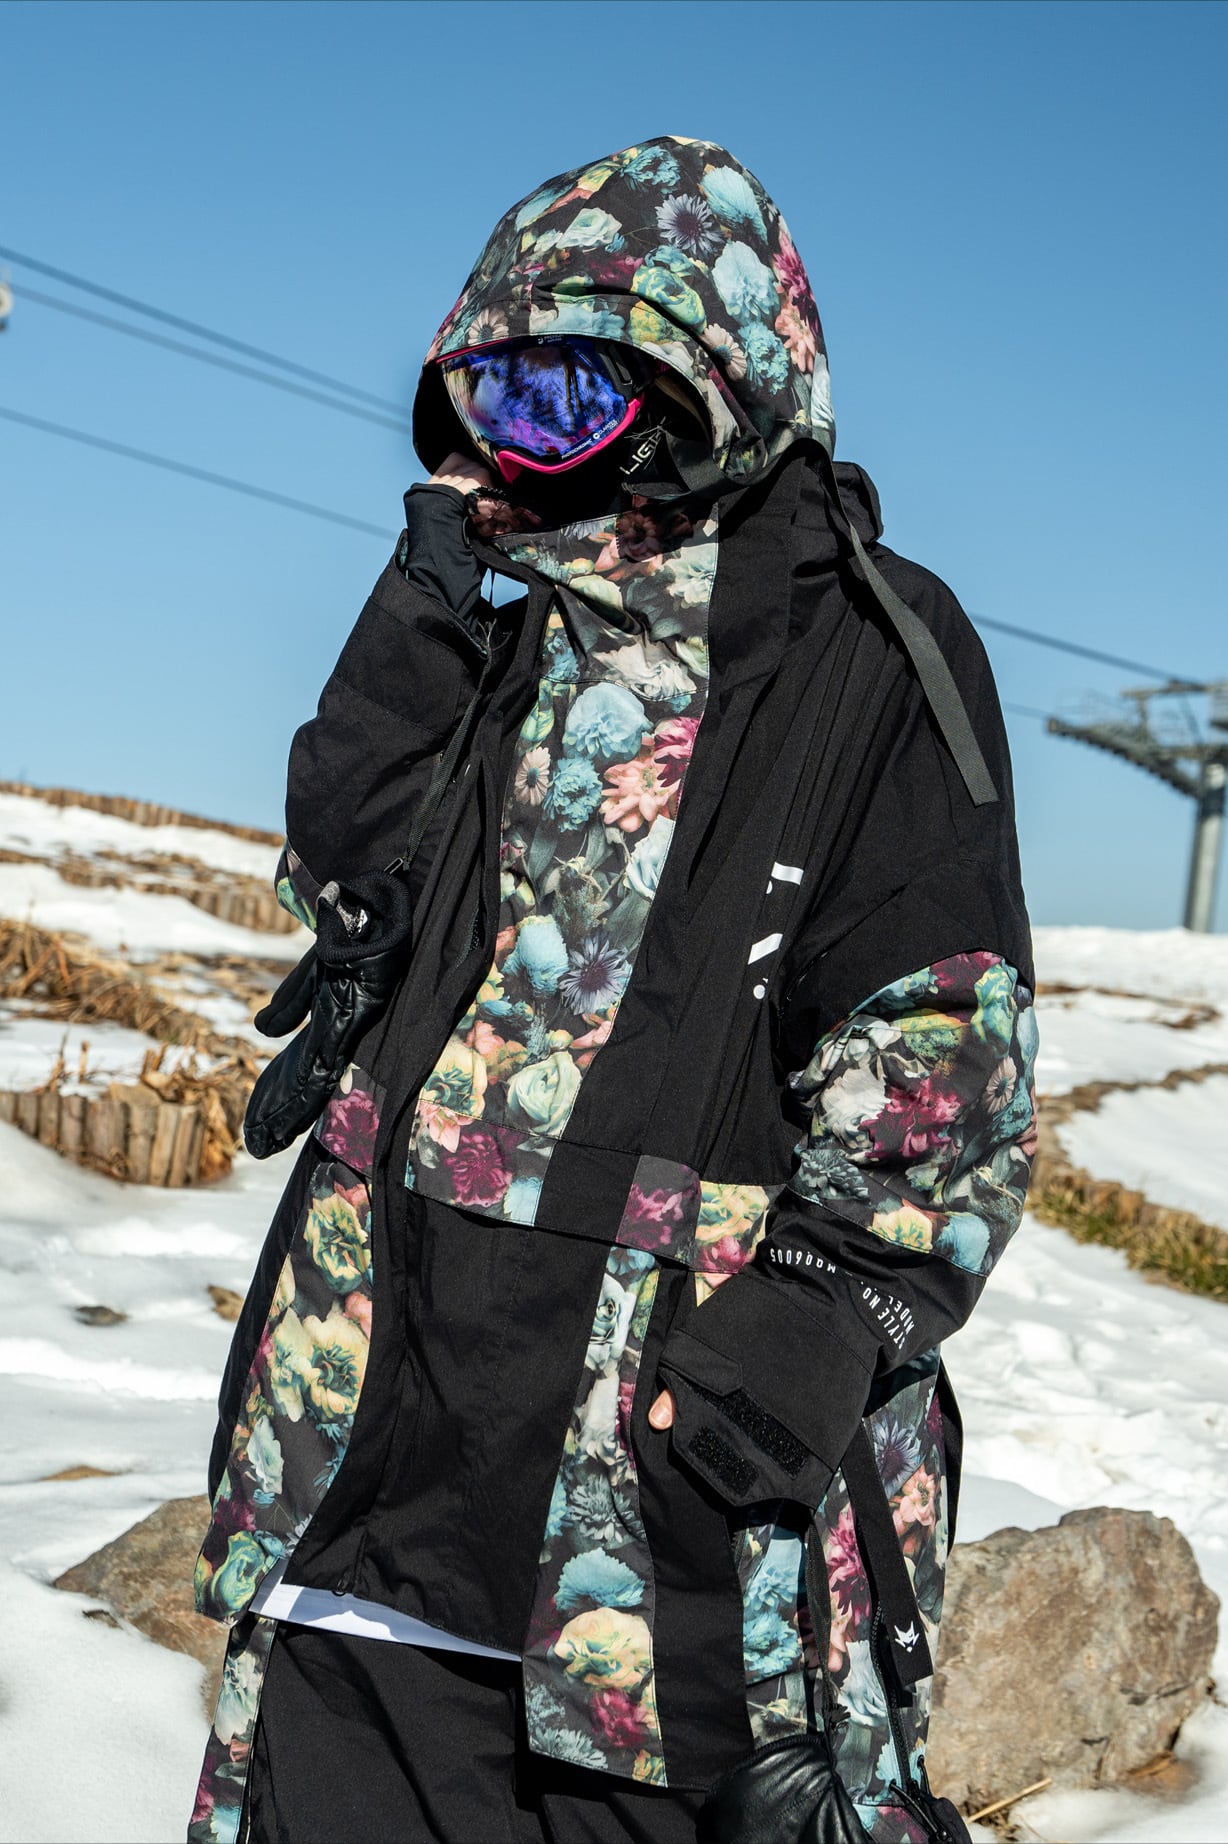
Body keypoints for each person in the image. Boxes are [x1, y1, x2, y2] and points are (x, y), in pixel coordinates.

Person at [189, 136, 1036, 1844]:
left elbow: (944, 1069)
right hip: (374, 1476)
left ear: (709, 389)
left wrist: (801, 1339)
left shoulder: (869, 659)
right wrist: (423, 609)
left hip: (654, 1549)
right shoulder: (501, 630)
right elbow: (348, 875)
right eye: (496, 393)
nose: (526, 442)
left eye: (573, 392)